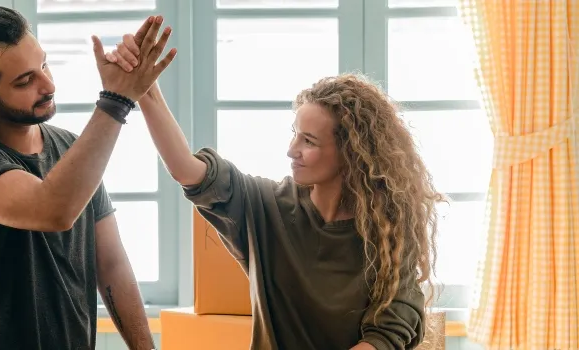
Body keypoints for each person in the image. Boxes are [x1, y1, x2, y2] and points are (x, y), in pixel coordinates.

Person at [106, 36, 441, 349]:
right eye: (295, 134)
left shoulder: (388, 226)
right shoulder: (265, 206)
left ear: (351, 153)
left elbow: (391, 327)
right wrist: (145, 89)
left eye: (308, 141)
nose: (291, 150)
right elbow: (186, 168)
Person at [0, 6, 176, 350]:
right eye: (25, 80)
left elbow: (112, 263)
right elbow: (53, 210)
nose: (49, 84)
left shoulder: (71, 148)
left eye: (43, 65)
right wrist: (116, 100)